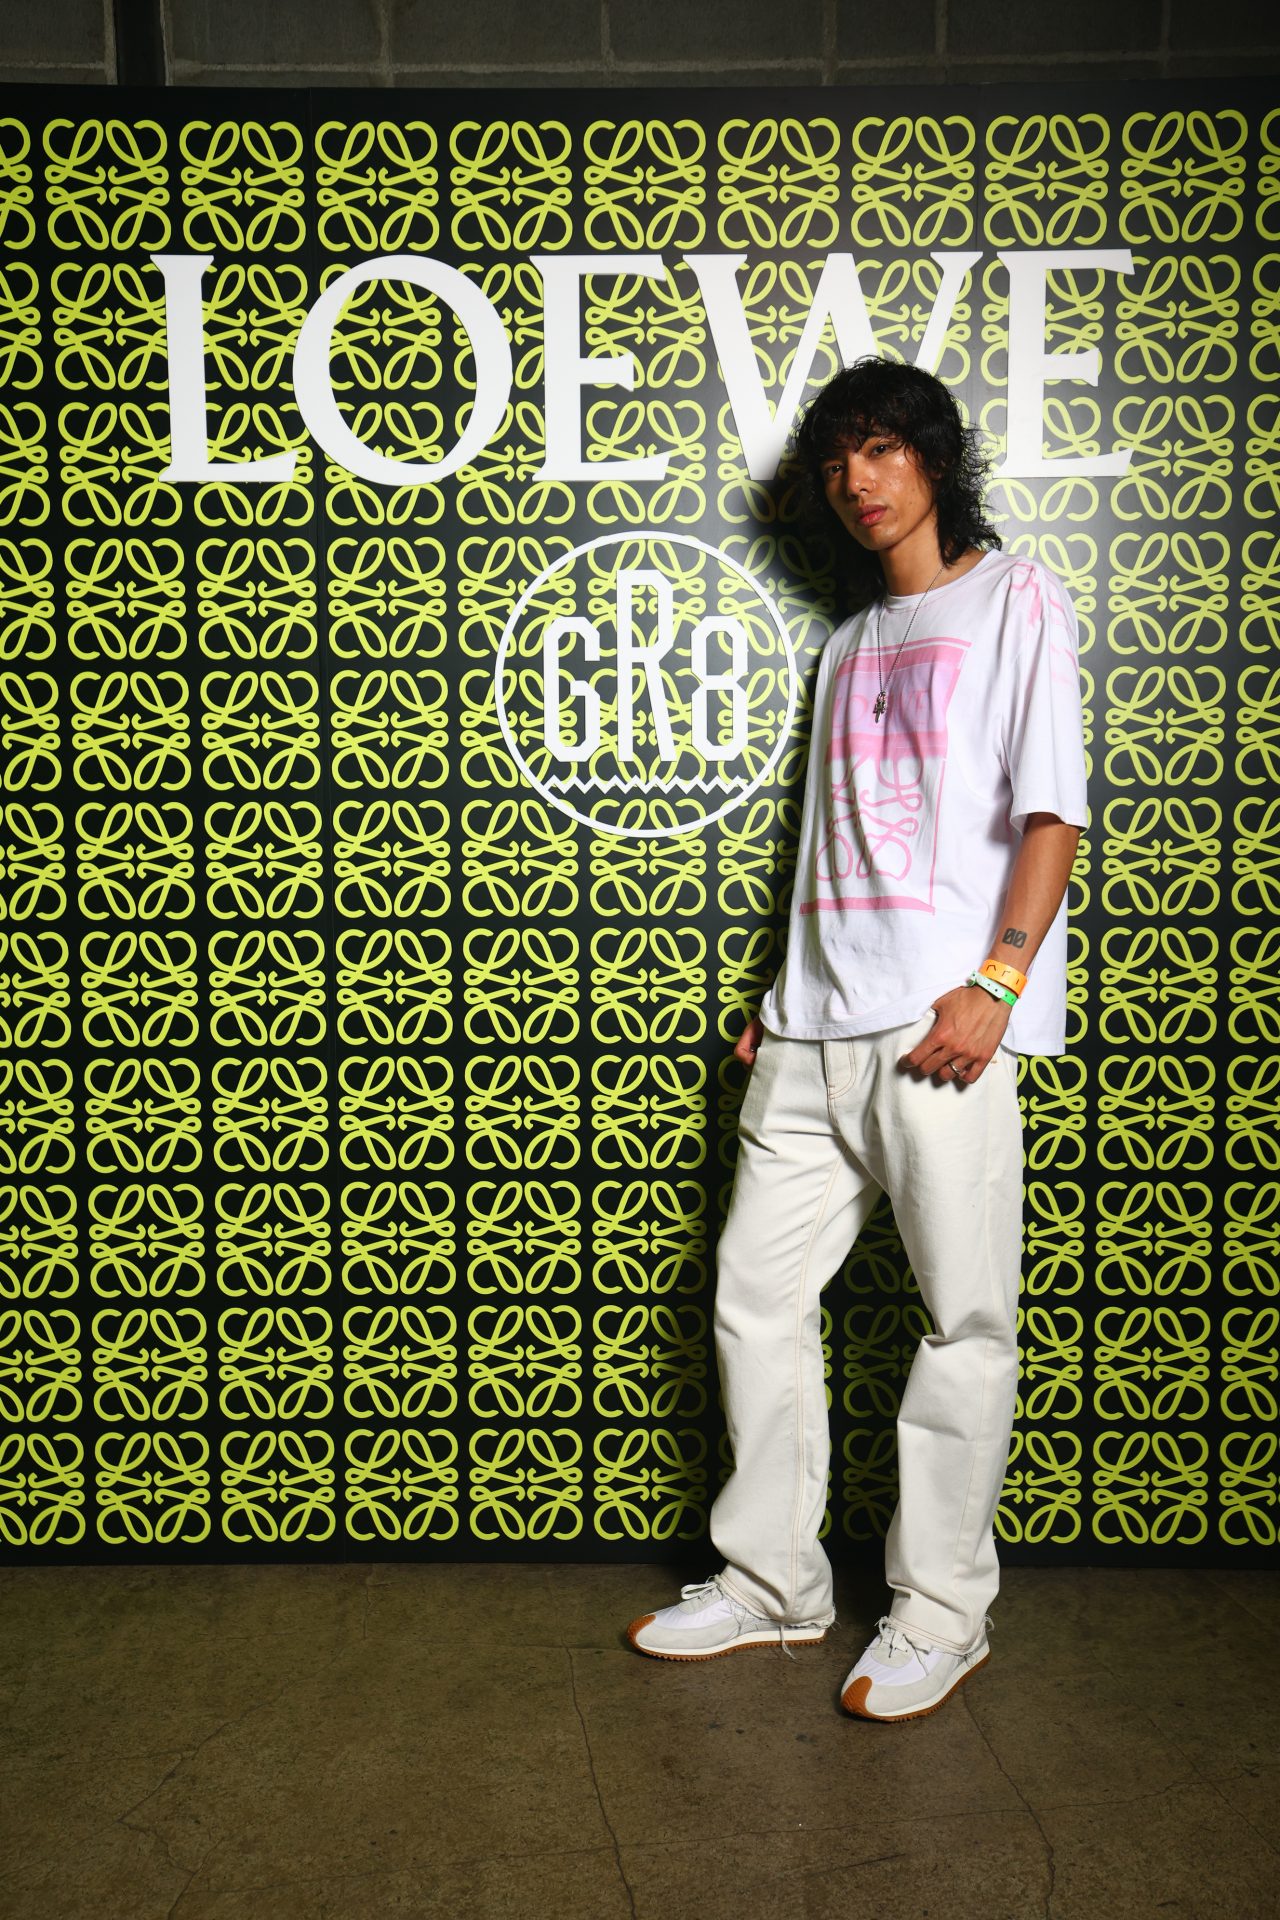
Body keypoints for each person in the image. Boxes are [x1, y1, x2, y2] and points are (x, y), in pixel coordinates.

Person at [624, 355, 1088, 1723]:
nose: (857, 480)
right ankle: (774, 1583)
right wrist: (782, 995)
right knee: (754, 1301)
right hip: (810, 1030)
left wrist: (997, 983)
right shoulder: (843, 647)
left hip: (941, 1029)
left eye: (882, 449)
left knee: (964, 1322)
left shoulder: (1017, 598)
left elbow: (1052, 811)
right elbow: (830, 845)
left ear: (934, 459)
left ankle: (943, 1614)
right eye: (838, 459)